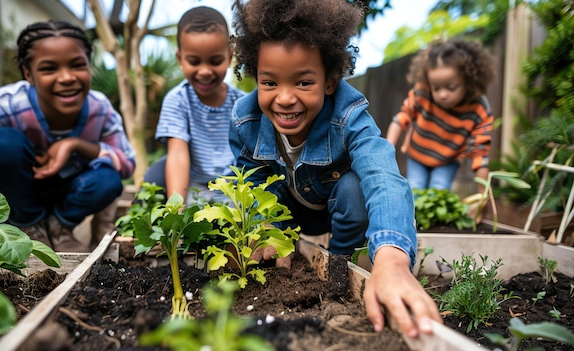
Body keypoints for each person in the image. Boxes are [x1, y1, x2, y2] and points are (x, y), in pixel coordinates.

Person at [229, 0, 441, 339]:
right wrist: (268, 229)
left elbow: (383, 175)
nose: (284, 98)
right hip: (287, 209)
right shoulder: (245, 119)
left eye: (303, 83)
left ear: (329, 80)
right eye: (270, 83)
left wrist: (392, 259)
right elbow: (249, 177)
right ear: (255, 76)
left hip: (334, 208)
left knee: (355, 189)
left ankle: (339, 264)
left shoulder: (348, 116)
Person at [0, 20, 136, 252]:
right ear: (29, 73)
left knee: (108, 179)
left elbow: (127, 164)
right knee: (3, 144)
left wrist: (76, 144)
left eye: (77, 65)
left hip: (59, 198)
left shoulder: (100, 109)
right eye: (49, 69)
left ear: (89, 65)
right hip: (9, 199)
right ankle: (28, 227)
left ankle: (59, 227)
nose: (67, 77)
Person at [143, 6, 245, 205]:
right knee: (154, 176)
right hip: (194, 183)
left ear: (229, 57)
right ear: (180, 59)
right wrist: (177, 212)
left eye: (215, 61)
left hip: (233, 185)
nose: (205, 71)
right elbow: (178, 154)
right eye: (194, 61)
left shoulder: (241, 104)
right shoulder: (178, 100)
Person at [386, 38, 495, 191]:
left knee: (439, 191)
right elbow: (400, 119)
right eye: (436, 88)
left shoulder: (479, 109)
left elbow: (480, 156)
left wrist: (482, 197)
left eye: (451, 87)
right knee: (414, 189)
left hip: (448, 161)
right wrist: (386, 150)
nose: (443, 94)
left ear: (469, 81)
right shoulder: (423, 92)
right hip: (418, 154)